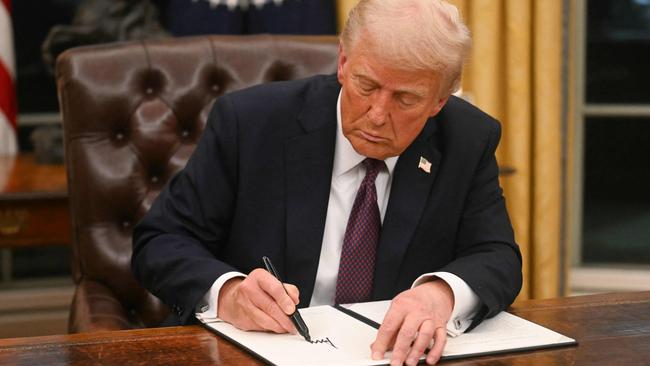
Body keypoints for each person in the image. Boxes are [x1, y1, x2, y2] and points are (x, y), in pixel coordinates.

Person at [132, 0, 522, 364]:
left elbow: (497, 256)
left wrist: (441, 294)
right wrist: (229, 292)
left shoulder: (467, 139)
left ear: (439, 101)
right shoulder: (250, 123)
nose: (377, 114)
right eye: (366, 86)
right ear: (342, 62)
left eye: (405, 99)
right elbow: (161, 240)